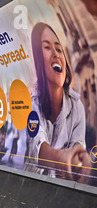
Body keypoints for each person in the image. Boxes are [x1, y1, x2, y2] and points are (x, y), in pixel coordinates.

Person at [24, 22, 91, 182]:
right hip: (31, 185)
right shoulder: (31, 104)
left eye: (59, 49)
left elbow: (78, 146)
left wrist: (77, 159)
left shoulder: (77, 106)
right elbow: (38, 146)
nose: (56, 54)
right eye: (47, 47)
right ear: (38, 59)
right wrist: (61, 158)